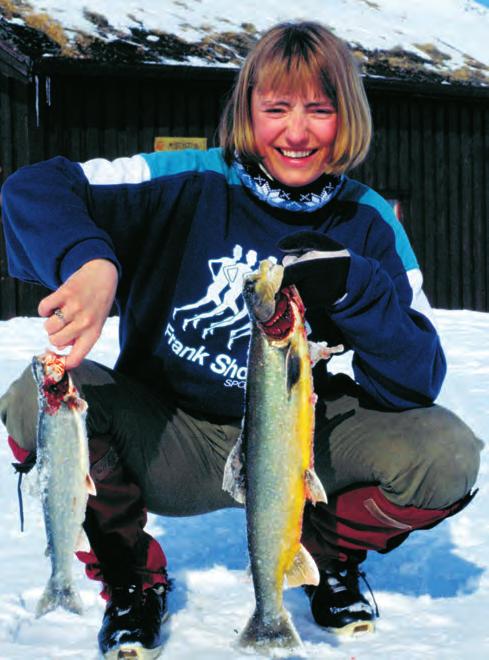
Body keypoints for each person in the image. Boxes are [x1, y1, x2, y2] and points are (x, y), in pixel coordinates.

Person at [0, 20, 482, 657]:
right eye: (276, 108)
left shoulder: (368, 223)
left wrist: (358, 288)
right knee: (39, 400)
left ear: (349, 118)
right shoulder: (182, 180)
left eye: (320, 109)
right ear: (246, 112)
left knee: (445, 452)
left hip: (300, 445)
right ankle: (131, 579)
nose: (297, 132)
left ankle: (315, 557)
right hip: (172, 435)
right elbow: (33, 187)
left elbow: (416, 380)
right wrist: (92, 261)